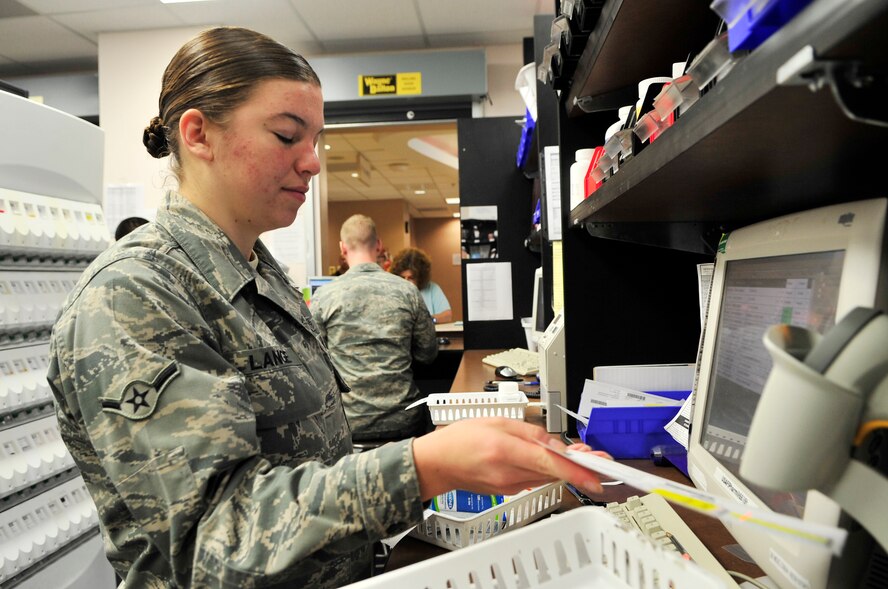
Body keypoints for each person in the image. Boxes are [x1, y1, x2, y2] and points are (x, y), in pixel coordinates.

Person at [46, 26, 605, 589]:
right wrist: (425, 466)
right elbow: (217, 538)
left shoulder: (262, 275)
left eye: (315, 140)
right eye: (288, 136)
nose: (313, 163)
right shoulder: (134, 294)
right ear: (198, 134)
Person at [311, 214, 437, 442]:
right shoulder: (407, 291)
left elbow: (314, 360)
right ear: (379, 245)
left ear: (342, 248)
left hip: (348, 421)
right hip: (404, 419)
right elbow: (428, 353)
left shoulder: (324, 296)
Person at [390, 247, 453, 323]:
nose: (406, 281)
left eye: (411, 277)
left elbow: (447, 316)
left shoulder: (432, 289)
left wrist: (429, 320)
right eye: (402, 277)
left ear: (420, 277)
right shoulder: (392, 290)